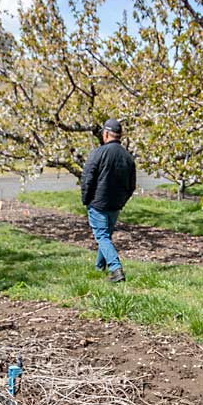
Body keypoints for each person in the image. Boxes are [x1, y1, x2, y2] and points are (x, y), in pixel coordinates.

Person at [81, 118, 136, 283]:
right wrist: (122, 201)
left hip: (98, 203)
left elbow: (87, 177)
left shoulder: (98, 153)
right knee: (106, 236)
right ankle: (99, 268)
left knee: (102, 237)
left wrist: (86, 198)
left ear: (105, 134)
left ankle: (116, 269)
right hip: (115, 204)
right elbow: (131, 185)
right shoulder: (128, 157)